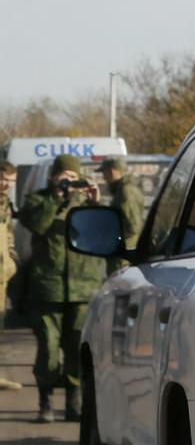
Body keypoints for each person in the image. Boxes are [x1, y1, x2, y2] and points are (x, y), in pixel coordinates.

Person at [18, 154, 106, 422]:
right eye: (62, 176)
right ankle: (45, 401)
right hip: (47, 288)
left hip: (82, 288)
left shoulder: (86, 203)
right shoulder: (37, 201)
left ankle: (73, 402)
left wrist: (96, 204)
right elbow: (38, 225)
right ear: (53, 176)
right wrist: (57, 196)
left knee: (76, 347)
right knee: (48, 346)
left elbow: (105, 235)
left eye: (71, 176)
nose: (67, 181)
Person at [99, 156, 145, 273]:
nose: (103, 177)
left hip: (124, 258)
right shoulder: (121, 190)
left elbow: (133, 226)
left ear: (112, 170)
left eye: (104, 172)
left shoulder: (126, 191)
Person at [0, 161, 22, 387]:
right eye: (3, 179)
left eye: (11, 181)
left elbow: (7, 236)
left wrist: (12, 261)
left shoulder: (5, 203)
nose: (6, 184)